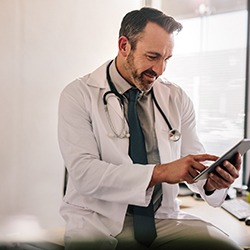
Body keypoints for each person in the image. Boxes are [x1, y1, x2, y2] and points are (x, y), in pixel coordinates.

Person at [58, 7, 242, 250]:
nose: (160, 70)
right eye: (152, 56)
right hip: (97, 222)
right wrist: (162, 172)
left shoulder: (176, 98)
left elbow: (193, 162)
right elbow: (85, 174)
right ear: (124, 46)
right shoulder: (79, 95)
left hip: (161, 220)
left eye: (166, 59)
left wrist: (211, 181)